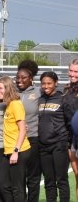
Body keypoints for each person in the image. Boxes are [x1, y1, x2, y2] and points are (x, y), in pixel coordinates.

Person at [0, 76, 31, 201]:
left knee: (17, 187)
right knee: (4, 185)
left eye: (0, 88)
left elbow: (22, 129)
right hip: (8, 151)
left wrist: (16, 151)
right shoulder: (7, 104)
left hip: (19, 151)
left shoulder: (16, 104)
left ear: (8, 88)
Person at [38, 71, 70, 202]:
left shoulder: (63, 98)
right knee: (49, 181)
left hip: (59, 144)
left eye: (49, 83)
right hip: (43, 146)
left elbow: (69, 121)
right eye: (43, 83)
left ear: (56, 83)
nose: (46, 86)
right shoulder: (40, 99)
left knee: (61, 180)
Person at [16, 59, 41, 202]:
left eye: (24, 77)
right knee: (18, 177)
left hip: (33, 139)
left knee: (33, 176)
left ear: (31, 78)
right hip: (16, 141)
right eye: (18, 77)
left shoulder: (38, 92)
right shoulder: (12, 92)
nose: (20, 80)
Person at [65, 59, 78, 201]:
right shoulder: (67, 90)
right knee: (76, 174)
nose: (73, 74)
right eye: (71, 71)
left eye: (76, 72)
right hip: (70, 139)